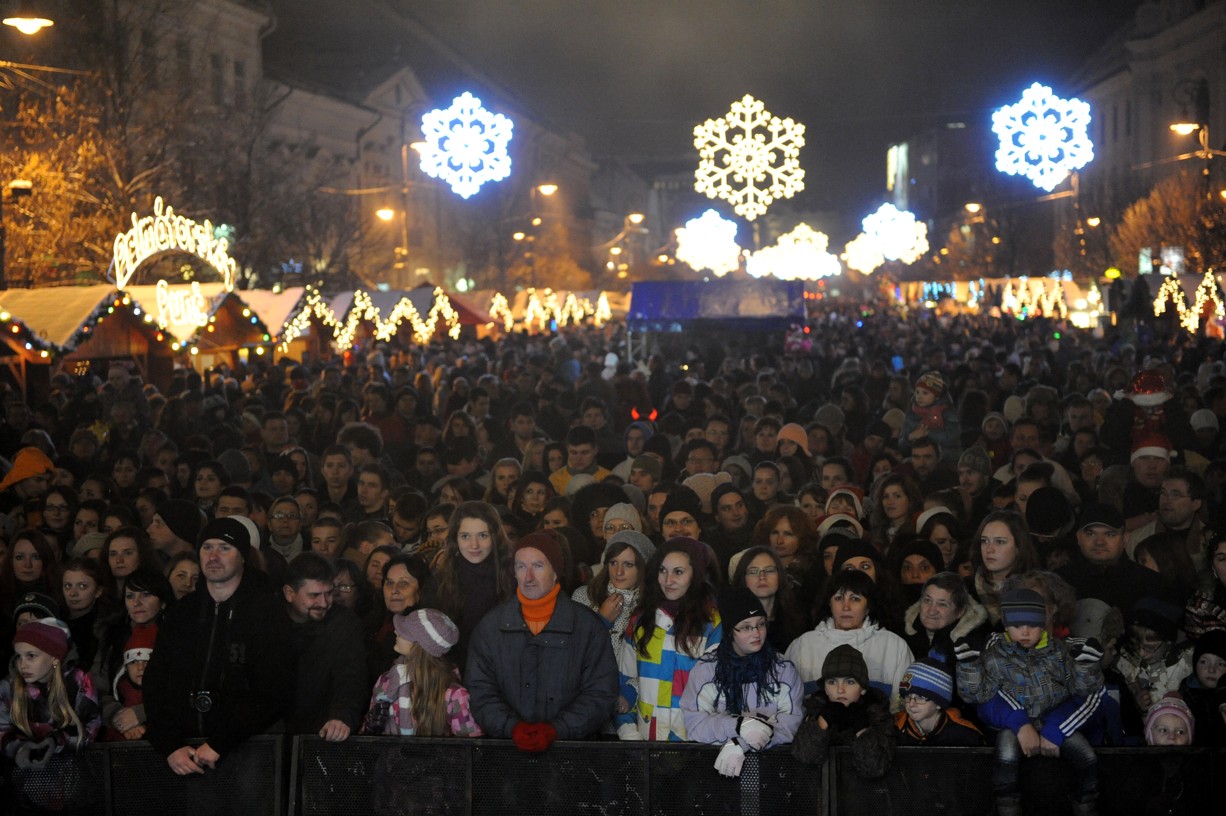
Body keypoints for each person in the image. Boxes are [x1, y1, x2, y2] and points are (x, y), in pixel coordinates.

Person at [144, 517, 294, 777]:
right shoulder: (182, 613)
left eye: (225, 548)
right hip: (189, 753)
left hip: (251, 751)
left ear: (244, 556)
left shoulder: (267, 611)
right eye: (207, 547)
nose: (213, 556)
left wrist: (220, 742)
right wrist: (169, 745)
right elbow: (156, 680)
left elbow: (273, 688)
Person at [955, 588, 1105, 816]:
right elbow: (979, 696)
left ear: (1044, 624)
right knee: (1005, 752)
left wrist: (1085, 667)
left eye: (1033, 625)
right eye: (1017, 626)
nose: (1025, 632)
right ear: (1006, 625)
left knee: (1087, 756)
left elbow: (1082, 691)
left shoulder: (1060, 652)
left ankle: (1085, 802)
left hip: (1053, 722)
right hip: (1011, 727)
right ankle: (1007, 805)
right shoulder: (994, 655)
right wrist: (969, 667)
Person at [466, 529, 618, 748]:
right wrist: (512, 728)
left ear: (555, 572)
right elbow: (480, 690)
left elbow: (601, 692)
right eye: (521, 567)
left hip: (572, 755)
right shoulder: (491, 627)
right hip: (505, 754)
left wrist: (558, 730)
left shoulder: (587, 627)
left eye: (538, 566)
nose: (528, 577)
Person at [680, 587, 804, 778]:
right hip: (718, 771)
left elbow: (790, 725)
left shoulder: (783, 669)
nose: (756, 633)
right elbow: (695, 724)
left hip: (772, 773)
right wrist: (738, 726)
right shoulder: (706, 670)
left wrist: (741, 744)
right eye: (746, 627)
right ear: (730, 631)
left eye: (761, 624)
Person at [617, 538, 723, 741]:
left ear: (696, 576)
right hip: (645, 742)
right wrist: (630, 734)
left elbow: (715, 691)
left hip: (695, 744)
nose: (668, 580)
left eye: (678, 572)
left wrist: (687, 742)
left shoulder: (712, 623)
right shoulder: (640, 620)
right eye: (663, 570)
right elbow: (625, 682)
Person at [784, 568, 914, 711]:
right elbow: (785, 705)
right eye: (839, 598)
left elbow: (905, 706)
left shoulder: (894, 647)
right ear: (829, 603)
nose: (846, 607)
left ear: (868, 606)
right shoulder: (802, 646)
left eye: (855, 599)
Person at [0, 620, 100, 787]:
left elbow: (90, 724)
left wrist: (56, 741)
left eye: (31, 655)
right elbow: (1, 728)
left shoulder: (78, 681)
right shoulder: (8, 686)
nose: (22, 664)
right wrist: (18, 748)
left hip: (73, 777)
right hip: (23, 782)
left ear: (54, 657)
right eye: (19, 656)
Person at [283, 552, 367, 742]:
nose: (323, 603)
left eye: (328, 594)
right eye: (313, 595)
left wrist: (341, 716)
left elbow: (351, 676)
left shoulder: (345, 624)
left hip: (323, 734)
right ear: (289, 593)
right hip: (271, 736)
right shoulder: (268, 621)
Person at [362, 608, 481, 737]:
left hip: (437, 757)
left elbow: (468, 744)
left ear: (420, 646)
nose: (396, 631)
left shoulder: (453, 694)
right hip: (391, 756)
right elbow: (367, 734)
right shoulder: (386, 680)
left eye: (404, 632)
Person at [791, 644, 895, 777]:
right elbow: (804, 756)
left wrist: (862, 728)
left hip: (866, 794)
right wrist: (823, 720)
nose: (840, 689)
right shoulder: (815, 708)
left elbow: (876, 768)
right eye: (832, 682)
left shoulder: (878, 713)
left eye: (850, 682)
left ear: (862, 688)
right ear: (825, 689)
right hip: (821, 793)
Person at [893, 658, 983, 746]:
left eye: (920, 697)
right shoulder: (894, 729)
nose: (911, 704)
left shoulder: (966, 736)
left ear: (939, 703)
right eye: (908, 696)